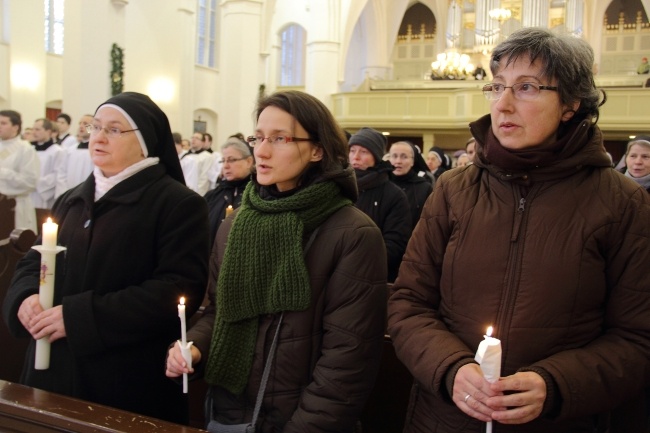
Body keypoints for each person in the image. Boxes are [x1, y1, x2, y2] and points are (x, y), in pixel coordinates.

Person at [387, 27, 650, 433]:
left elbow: (637, 339)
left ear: (571, 104)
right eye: (496, 87)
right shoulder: (454, 190)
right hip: (445, 418)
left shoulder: (622, 203)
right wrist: (450, 368)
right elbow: (408, 303)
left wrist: (556, 384)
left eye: (526, 87)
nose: (503, 104)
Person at [166, 90, 387, 433]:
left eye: (280, 138)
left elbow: (346, 362)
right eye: (258, 137)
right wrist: (192, 346)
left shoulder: (353, 234)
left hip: (299, 419)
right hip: (229, 412)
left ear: (318, 149)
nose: (262, 151)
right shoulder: (236, 223)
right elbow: (218, 313)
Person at [2, 92, 210, 424]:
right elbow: (33, 260)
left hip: (121, 380)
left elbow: (175, 288)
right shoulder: (72, 198)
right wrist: (25, 297)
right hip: (50, 369)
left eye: (113, 130)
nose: (97, 137)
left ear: (144, 141)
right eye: (96, 127)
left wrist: (78, 317)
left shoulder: (177, 204)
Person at [349, 127, 411, 283]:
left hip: (371, 277)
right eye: (352, 150)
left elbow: (395, 244)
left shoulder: (393, 195)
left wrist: (355, 262)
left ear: (376, 157)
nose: (355, 157)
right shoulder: (337, 187)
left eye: (363, 152)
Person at [203, 137, 253, 246]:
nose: (225, 166)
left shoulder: (257, 195)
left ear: (249, 161)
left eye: (231, 160)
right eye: (223, 160)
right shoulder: (212, 196)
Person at [0, 110, 40, 232]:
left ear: (15, 127)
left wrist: (3, 173)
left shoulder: (25, 149)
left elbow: (30, 182)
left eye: (3, 123)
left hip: (16, 207)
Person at [388, 140, 433, 229]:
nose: (398, 161)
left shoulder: (424, 188)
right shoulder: (382, 185)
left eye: (404, 157)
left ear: (412, 161)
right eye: (394, 156)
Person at [55, 114, 94, 199]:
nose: (81, 126)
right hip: (69, 196)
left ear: (94, 127)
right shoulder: (70, 150)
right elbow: (62, 174)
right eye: (80, 123)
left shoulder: (97, 151)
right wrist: (64, 194)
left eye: (85, 123)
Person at [30, 118, 64, 211]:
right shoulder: (30, 149)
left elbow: (58, 174)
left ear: (48, 131)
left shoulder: (57, 151)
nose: (34, 132)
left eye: (37, 129)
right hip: (29, 193)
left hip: (44, 195)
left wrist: (36, 183)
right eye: (33, 129)